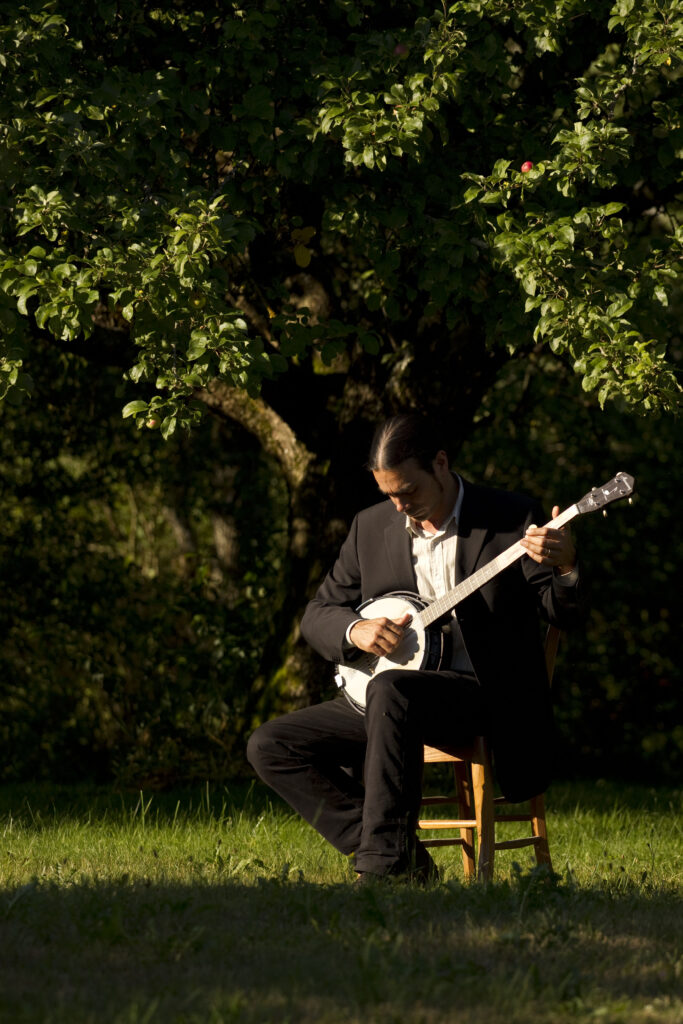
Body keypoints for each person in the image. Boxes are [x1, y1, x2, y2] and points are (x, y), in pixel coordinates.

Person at [247, 413, 582, 884]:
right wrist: (354, 631)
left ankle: (386, 870)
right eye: (389, 495)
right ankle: (404, 856)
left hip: (482, 696)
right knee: (271, 745)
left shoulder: (509, 517)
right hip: (390, 700)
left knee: (392, 689)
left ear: (441, 464)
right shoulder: (370, 527)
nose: (400, 506)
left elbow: (563, 614)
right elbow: (318, 613)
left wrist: (565, 568)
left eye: (408, 491)